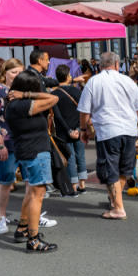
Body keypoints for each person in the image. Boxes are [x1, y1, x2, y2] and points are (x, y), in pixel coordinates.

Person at [0, 58, 53, 234]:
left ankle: (30, 218)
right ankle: (1, 216)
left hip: (26, 143)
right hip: (6, 143)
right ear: (4, 73)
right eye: (13, 72)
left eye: (19, 72)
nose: (16, 75)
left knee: (32, 183)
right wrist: (0, 146)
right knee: (5, 180)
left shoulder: (25, 91)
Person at [78, 52, 138, 220]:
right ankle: (116, 199)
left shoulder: (94, 81)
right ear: (117, 64)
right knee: (124, 168)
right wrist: (134, 123)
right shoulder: (129, 81)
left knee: (110, 168)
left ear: (100, 66)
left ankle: (118, 208)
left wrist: (83, 129)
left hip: (108, 131)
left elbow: (84, 111)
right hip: (129, 130)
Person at [5, 70, 60, 252]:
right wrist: (28, 95)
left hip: (27, 151)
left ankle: (22, 228)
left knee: (30, 191)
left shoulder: (13, 105)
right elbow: (53, 98)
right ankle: (33, 239)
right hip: (36, 151)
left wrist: (25, 94)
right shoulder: (21, 105)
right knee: (38, 194)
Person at [52, 64, 87, 194]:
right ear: (68, 76)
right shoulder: (77, 92)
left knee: (69, 157)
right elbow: (83, 111)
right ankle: (82, 185)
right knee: (81, 156)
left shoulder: (54, 94)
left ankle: (73, 186)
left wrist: (68, 130)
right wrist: (78, 128)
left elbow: (58, 116)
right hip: (78, 129)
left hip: (63, 131)